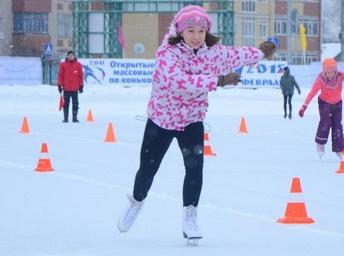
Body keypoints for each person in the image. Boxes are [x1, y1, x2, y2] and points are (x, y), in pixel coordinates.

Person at [116, 5, 276, 242]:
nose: (196, 36)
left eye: (201, 30)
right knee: (148, 170)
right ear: (180, 31)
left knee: (194, 169)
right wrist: (218, 80)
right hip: (162, 119)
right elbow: (178, 81)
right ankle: (137, 200)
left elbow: (236, 55)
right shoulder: (167, 53)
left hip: (192, 119)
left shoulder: (212, 52)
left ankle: (190, 217)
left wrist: (261, 52)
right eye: (190, 30)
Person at [298, 58, 344, 159]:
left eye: (332, 72)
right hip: (324, 103)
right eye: (328, 72)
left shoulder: (339, 76)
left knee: (337, 125)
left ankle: (339, 149)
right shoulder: (320, 79)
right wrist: (304, 106)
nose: (330, 74)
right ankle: (320, 143)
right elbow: (312, 93)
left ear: (336, 71)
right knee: (325, 122)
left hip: (338, 103)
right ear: (324, 71)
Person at [57, 50, 84, 123]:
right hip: (66, 88)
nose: (71, 57)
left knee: (75, 104)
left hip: (75, 89)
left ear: (74, 56)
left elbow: (80, 76)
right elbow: (60, 75)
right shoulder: (63, 65)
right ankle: (65, 118)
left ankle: (74, 118)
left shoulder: (78, 65)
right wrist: (59, 85)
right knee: (66, 104)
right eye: (69, 55)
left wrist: (81, 86)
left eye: (72, 55)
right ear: (67, 56)